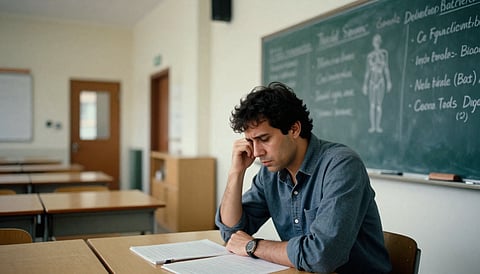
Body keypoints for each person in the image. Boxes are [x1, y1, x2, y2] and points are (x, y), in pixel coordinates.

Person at [215, 82, 391, 273]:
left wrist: (253, 246)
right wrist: (236, 172)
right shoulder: (270, 173)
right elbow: (232, 234)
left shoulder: (342, 165)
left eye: (264, 139)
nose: (256, 152)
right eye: (250, 141)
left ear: (294, 129)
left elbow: (322, 257)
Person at [363, 34, 392, 133]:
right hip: (371, 81)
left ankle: (378, 126)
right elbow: (367, 72)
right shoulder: (369, 56)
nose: (377, 43)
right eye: (375, 41)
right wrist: (365, 85)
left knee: (379, 105)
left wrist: (389, 82)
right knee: (372, 105)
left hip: (380, 80)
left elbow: (386, 68)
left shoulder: (384, 54)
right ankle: (372, 126)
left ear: (380, 42)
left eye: (378, 41)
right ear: (373, 43)